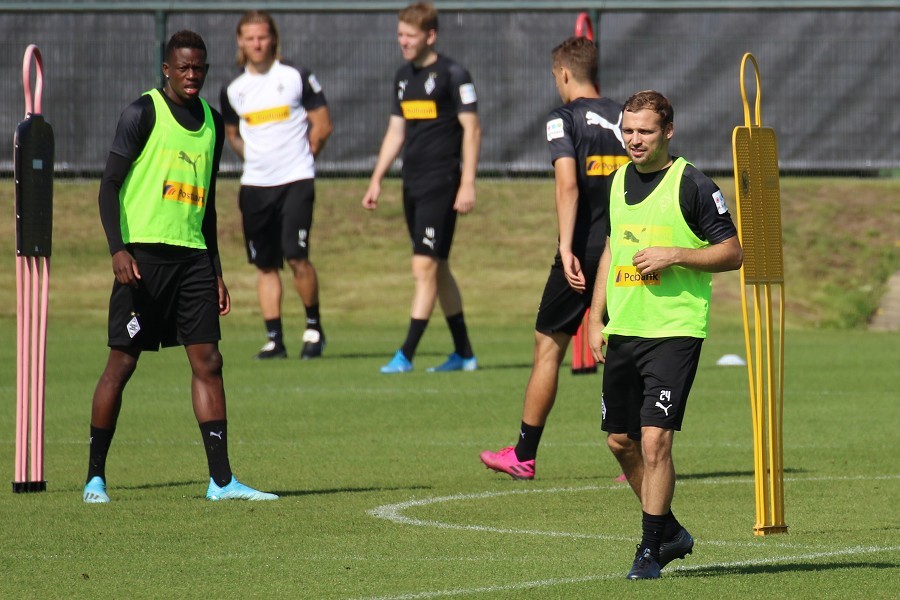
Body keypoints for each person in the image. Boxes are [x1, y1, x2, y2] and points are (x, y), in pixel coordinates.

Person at [83, 30, 277, 503]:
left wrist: (216, 270)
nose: (192, 75)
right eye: (183, 67)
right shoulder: (142, 113)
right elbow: (109, 185)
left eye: (199, 68)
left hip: (192, 260)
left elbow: (207, 207)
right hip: (142, 261)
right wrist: (118, 249)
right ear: (167, 69)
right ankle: (94, 479)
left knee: (209, 362)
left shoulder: (212, 122)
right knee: (121, 365)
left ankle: (222, 482)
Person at [587, 90, 743, 579]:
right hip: (624, 328)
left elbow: (733, 252)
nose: (634, 140)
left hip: (674, 331)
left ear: (668, 132)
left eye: (645, 131)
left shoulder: (692, 184)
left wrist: (675, 254)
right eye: (628, 131)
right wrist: (595, 316)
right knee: (620, 441)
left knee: (655, 441)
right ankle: (669, 530)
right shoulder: (615, 182)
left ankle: (650, 550)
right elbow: (611, 249)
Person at [479, 37, 628, 480]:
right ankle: (637, 456)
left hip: (582, 251)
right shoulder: (629, 118)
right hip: (626, 248)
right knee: (627, 347)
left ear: (563, 73)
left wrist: (565, 247)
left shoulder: (563, 119)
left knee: (548, 347)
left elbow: (567, 184)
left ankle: (524, 454)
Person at [361, 2, 480, 374]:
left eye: (410, 36)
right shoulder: (402, 77)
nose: (403, 42)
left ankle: (406, 354)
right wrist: (377, 179)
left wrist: (468, 183)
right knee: (437, 267)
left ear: (430, 35)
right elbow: (395, 131)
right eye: (400, 35)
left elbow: (472, 130)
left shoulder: (454, 75)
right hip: (411, 184)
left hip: (442, 183)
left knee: (423, 266)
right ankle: (464, 353)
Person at [221, 10, 333, 360]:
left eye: (263, 37)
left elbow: (323, 125)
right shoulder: (233, 89)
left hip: (296, 180)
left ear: (273, 39)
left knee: (296, 256)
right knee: (265, 264)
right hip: (255, 186)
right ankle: (274, 339)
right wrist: (255, 159)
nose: (257, 44)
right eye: (250, 38)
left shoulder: (296, 76)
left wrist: (304, 158)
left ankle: (313, 328)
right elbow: (232, 134)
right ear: (240, 41)